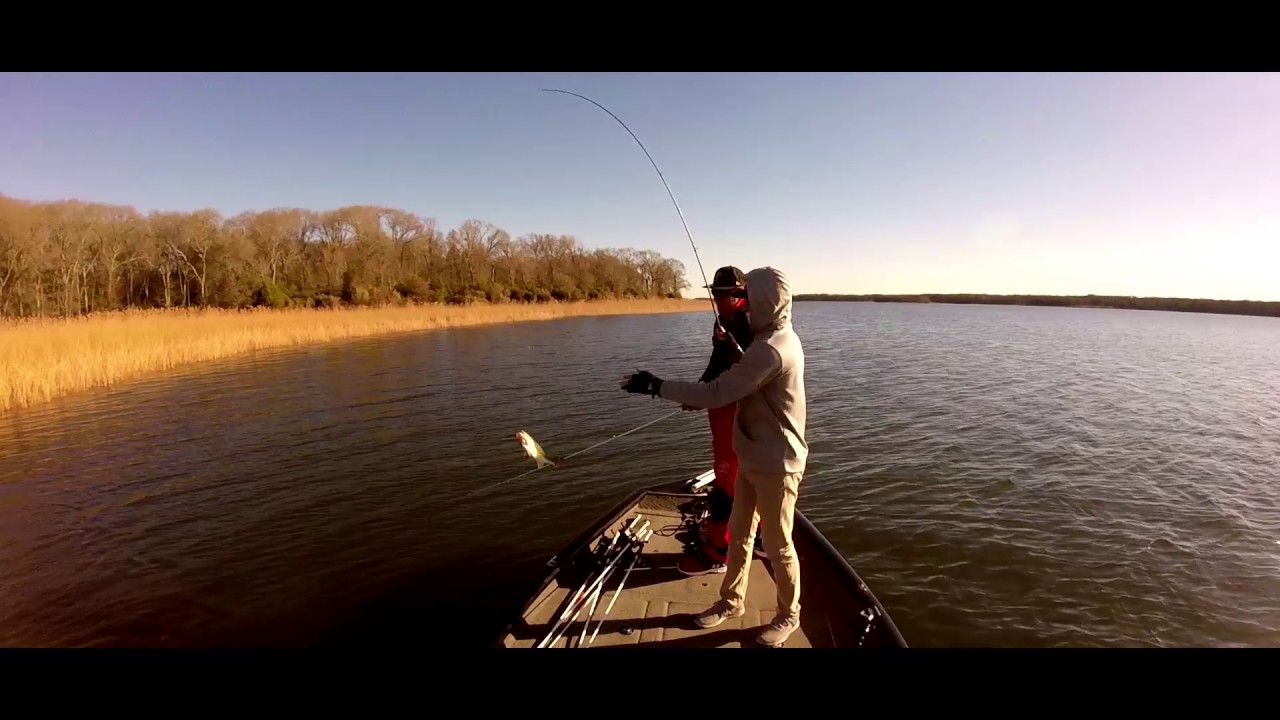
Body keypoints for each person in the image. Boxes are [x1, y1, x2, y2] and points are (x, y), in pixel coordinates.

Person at [620, 266, 807, 648]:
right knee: (739, 535)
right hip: (752, 456)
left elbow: (718, 392)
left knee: (779, 545)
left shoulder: (773, 348)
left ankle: (789, 615)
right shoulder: (761, 340)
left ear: (765, 301)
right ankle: (731, 601)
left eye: (748, 298)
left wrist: (655, 386)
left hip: (777, 465)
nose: (742, 305)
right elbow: (724, 383)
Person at [676, 266, 760, 577]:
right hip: (720, 410)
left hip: (738, 415)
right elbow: (715, 364)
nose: (715, 298)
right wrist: (700, 393)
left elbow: (752, 373)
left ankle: (719, 553)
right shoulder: (722, 318)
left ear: (737, 294)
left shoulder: (753, 322)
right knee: (734, 478)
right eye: (713, 292)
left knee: (727, 484)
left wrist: (731, 348)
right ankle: (753, 538)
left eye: (719, 294)